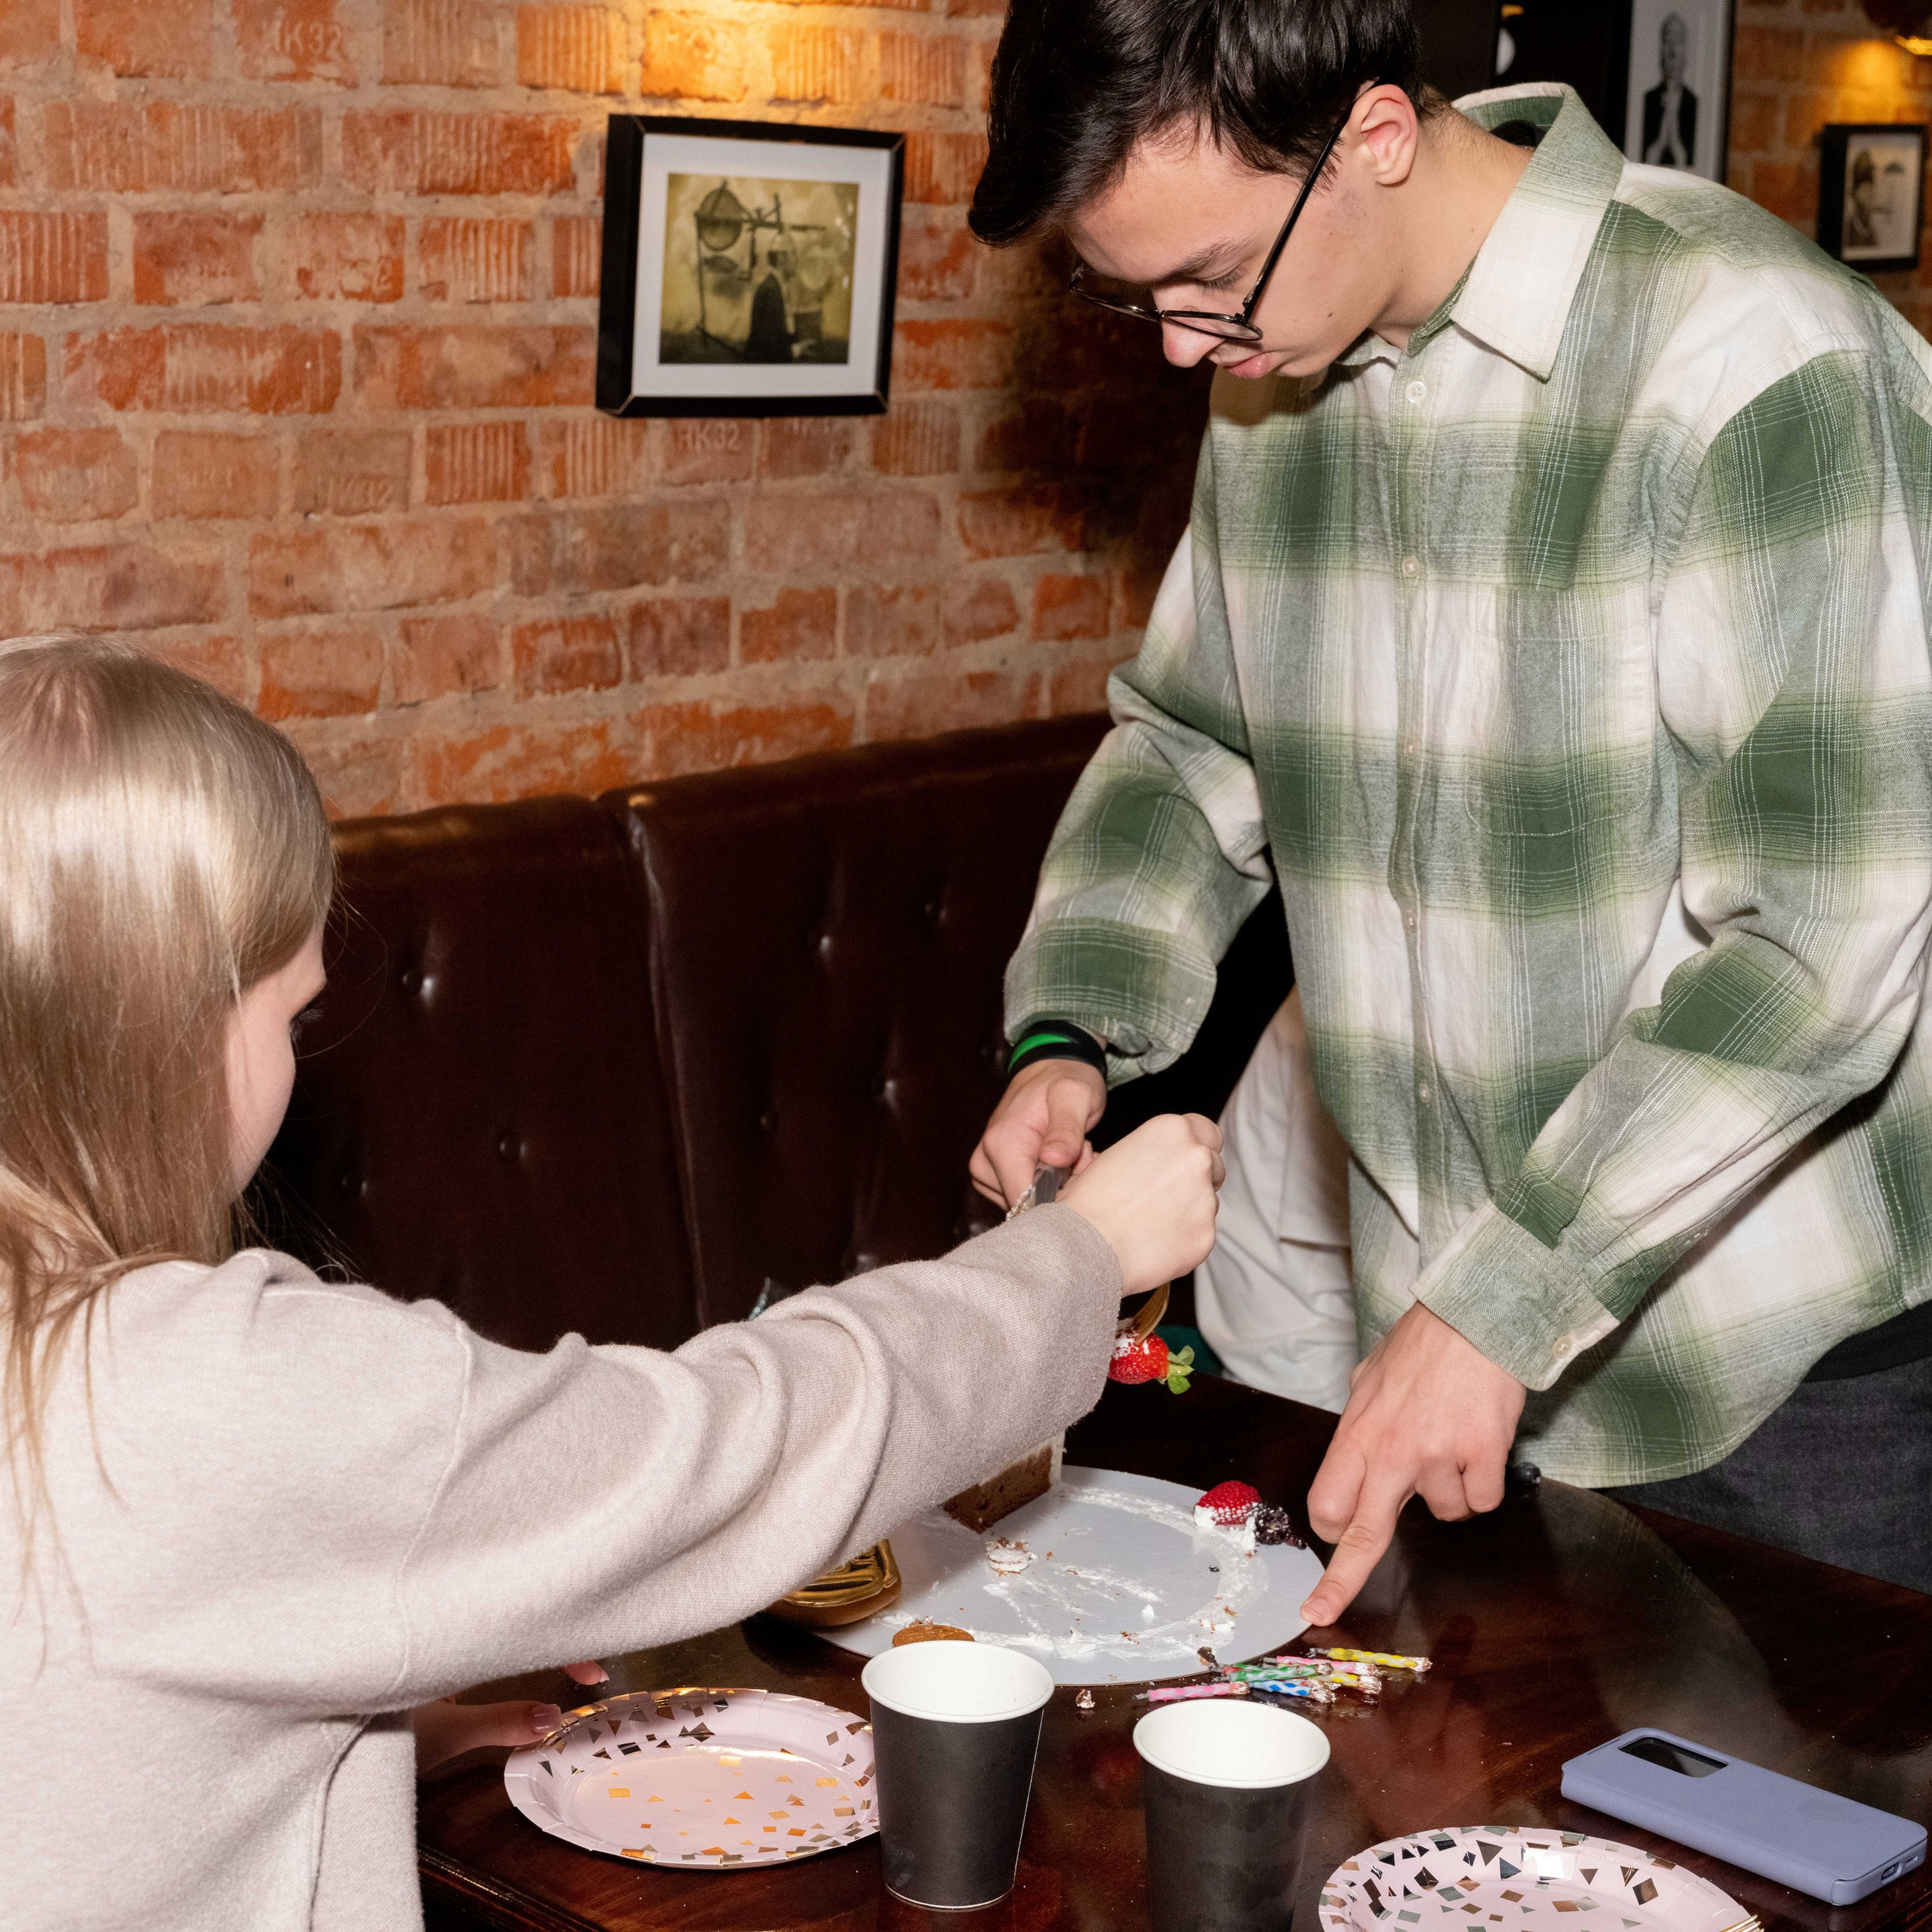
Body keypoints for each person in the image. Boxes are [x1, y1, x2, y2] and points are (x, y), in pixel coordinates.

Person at [0, 635, 1226, 1930]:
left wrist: (368, 1710)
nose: (299, 1064)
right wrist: (1074, 1259)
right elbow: (729, 1450)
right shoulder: (195, 1389)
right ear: (161, 1036)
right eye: (288, 1016)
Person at [967, 0, 1932, 1622]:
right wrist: (1074, 1023)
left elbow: (1820, 942)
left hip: (1773, 1377)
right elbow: (1194, 745)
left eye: (1204, 281)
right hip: (1439, 1332)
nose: (1176, 348)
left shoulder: (1757, 359)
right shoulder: (1273, 372)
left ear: (1374, 136)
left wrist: (1500, 1301)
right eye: (1129, 294)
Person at [1641, 12, 1697, 170]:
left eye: (1678, 42)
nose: (1672, 52)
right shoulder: (1648, 100)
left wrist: (1676, 144)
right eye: (1667, 41)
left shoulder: (1693, 103)